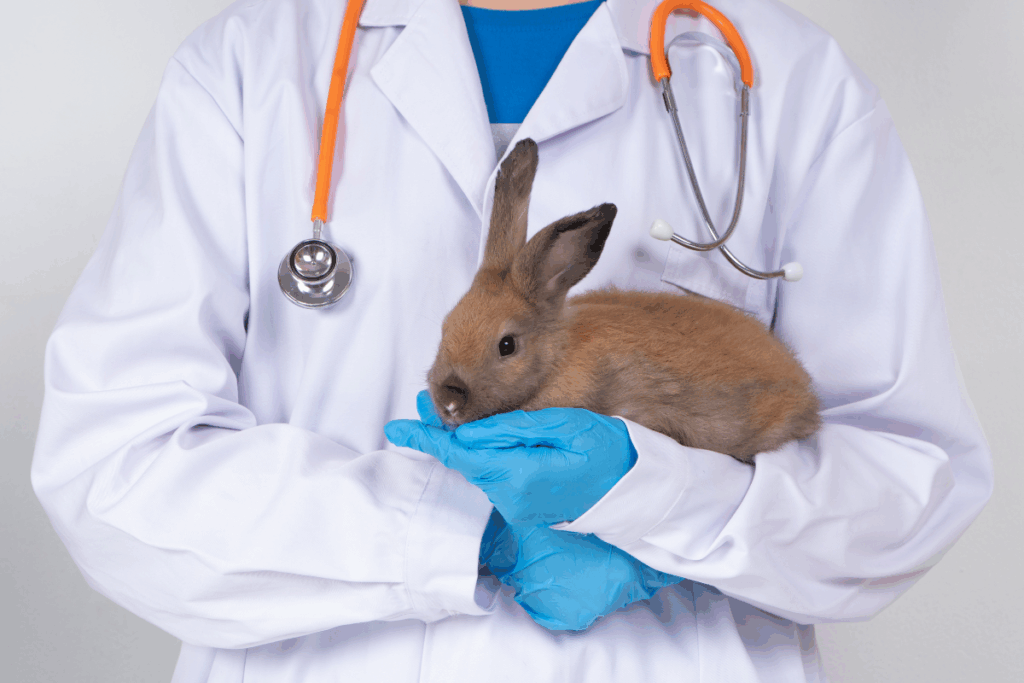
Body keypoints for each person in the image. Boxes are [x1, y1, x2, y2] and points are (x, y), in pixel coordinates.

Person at [31, 0, 992, 681]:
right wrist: (453, 533)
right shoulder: (247, 71)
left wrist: (662, 516)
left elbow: (906, 478)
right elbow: (112, 464)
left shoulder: (787, 82)